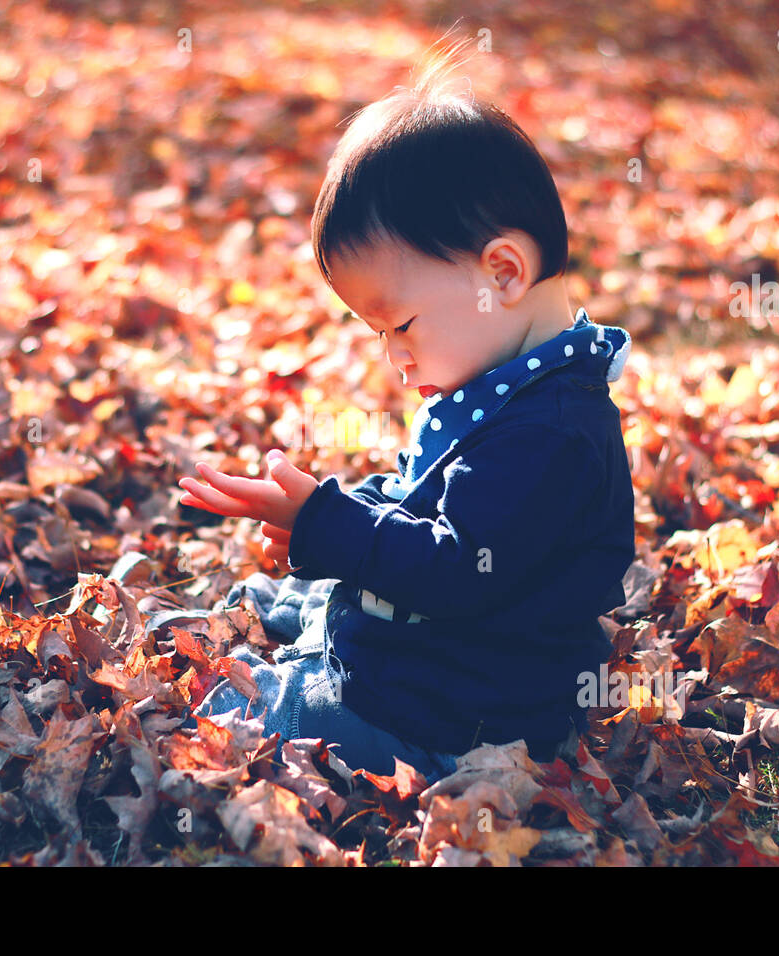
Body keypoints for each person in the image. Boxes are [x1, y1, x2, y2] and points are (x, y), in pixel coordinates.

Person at [177, 40, 635, 784]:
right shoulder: (500, 383)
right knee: (313, 590)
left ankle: (309, 680)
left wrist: (326, 526)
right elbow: (422, 497)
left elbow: (453, 570)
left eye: (401, 325)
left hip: (464, 718)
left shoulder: (549, 435)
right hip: (447, 667)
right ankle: (321, 620)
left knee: (239, 712)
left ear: (501, 273)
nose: (394, 355)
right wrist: (331, 509)